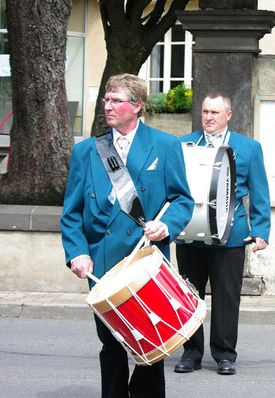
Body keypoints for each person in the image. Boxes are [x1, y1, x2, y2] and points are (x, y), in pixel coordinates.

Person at [60, 73, 194, 398]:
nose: (108, 106)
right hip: (103, 263)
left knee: (151, 343)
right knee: (112, 345)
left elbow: (182, 199)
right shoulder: (87, 151)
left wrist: (167, 225)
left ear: (137, 106)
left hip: (146, 262)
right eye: (107, 99)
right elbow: (71, 213)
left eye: (116, 100)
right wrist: (77, 252)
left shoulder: (165, 145)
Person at [174, 92, 271, 376]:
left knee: (227, 297)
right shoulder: (183, 144)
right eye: (205, 112)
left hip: (232, 235)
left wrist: (261, 229)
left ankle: (225, 355)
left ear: (228, 115)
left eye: (215, 113)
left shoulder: (249, 147)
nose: (208, 117)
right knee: (189, 296)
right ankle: (191, 353)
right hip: (191, 233)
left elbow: (260, 191)